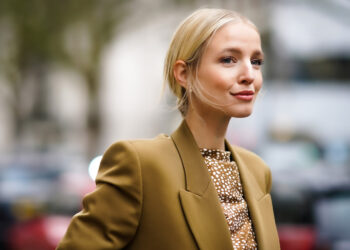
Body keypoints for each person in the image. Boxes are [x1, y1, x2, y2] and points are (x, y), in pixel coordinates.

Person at [57, 8, 280, 250]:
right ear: (184, 73)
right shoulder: (141, 165)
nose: (249, 74)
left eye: (256, 61)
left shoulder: (258, 171)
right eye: (228, 59)